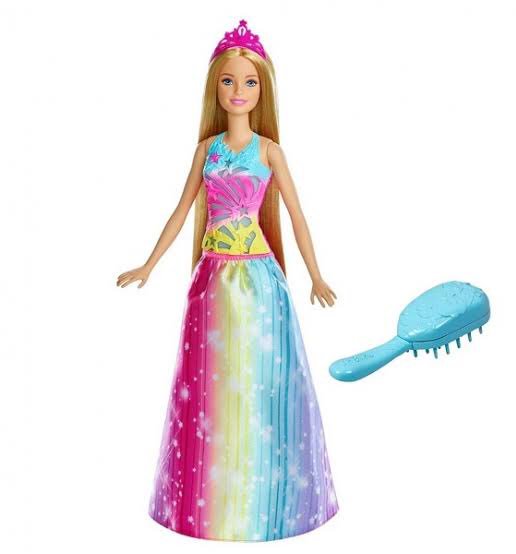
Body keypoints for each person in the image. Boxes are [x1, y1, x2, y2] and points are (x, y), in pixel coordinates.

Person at [116, 19, 339, 542]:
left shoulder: (269, 151)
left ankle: (267, 502)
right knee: (210, 387)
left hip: (259, 283)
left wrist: (315, 275)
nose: (239, 91)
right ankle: (209, 500)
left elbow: (297, 217)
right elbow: (181, 212)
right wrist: (149, 264)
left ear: (263, 91)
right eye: (229, 81)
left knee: (261, 386)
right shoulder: (207, 150)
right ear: (215, 87)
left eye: (250, 82)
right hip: (212, 282)